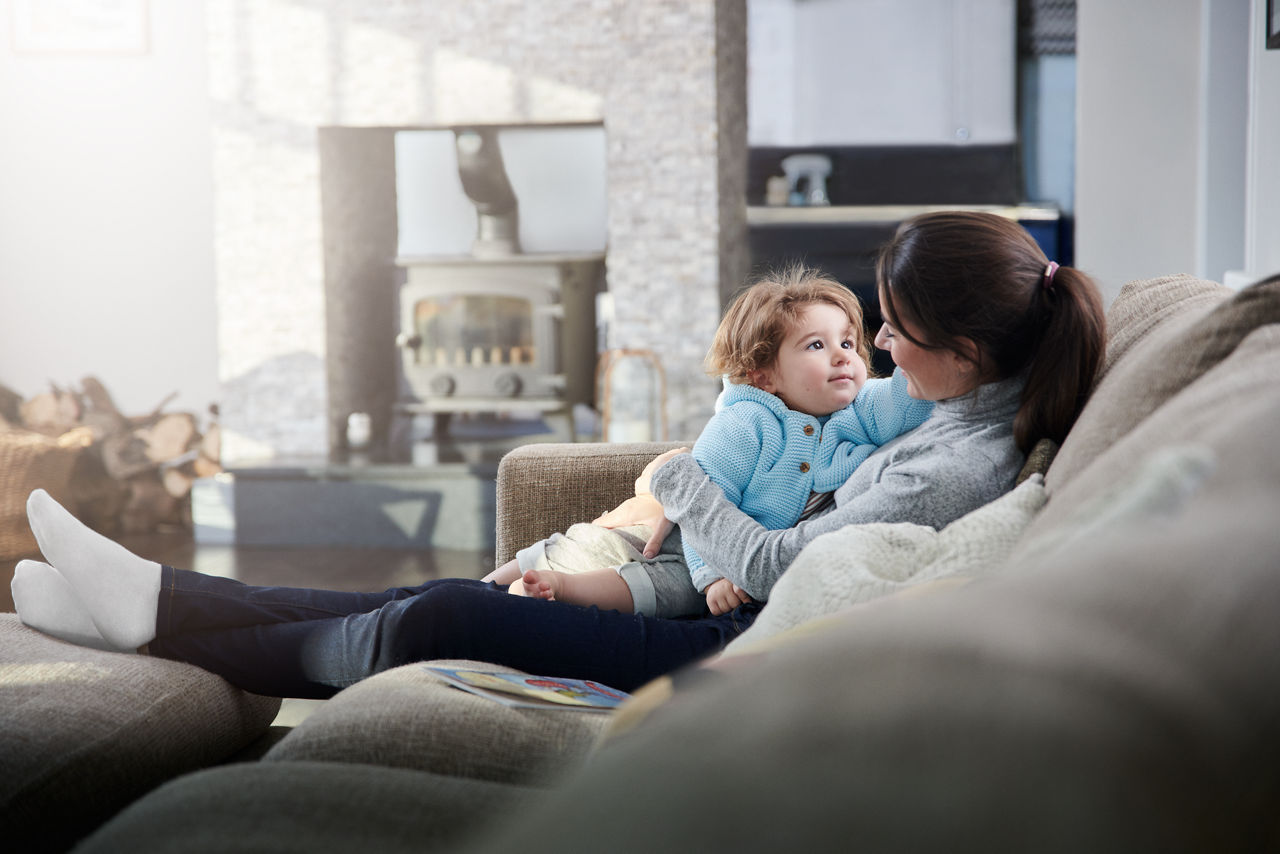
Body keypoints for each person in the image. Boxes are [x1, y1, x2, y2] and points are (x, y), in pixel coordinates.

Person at [10, 211, 1106, 698]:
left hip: (738, 653)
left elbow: (777, 571)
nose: (873, 343)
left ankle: (155, 619)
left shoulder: (955, 457)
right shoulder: (952, 402)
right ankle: (155, 599)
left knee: (440, 617)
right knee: (439, 593)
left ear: (961, 348)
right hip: (723, 607)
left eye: (890, 328)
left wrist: (680, 476)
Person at [504, 267, 933, 618]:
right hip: (689, 539)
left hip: (729, 562)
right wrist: (712, 574)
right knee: (600, 543)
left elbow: (914, 395)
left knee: (662, 594)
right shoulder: (744, 423)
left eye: (847, 343)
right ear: (764, 374)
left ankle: (563, 589)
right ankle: (503, 578)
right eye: (816, 345)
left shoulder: (861, 409)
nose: (843, 356)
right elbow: (701, 502)